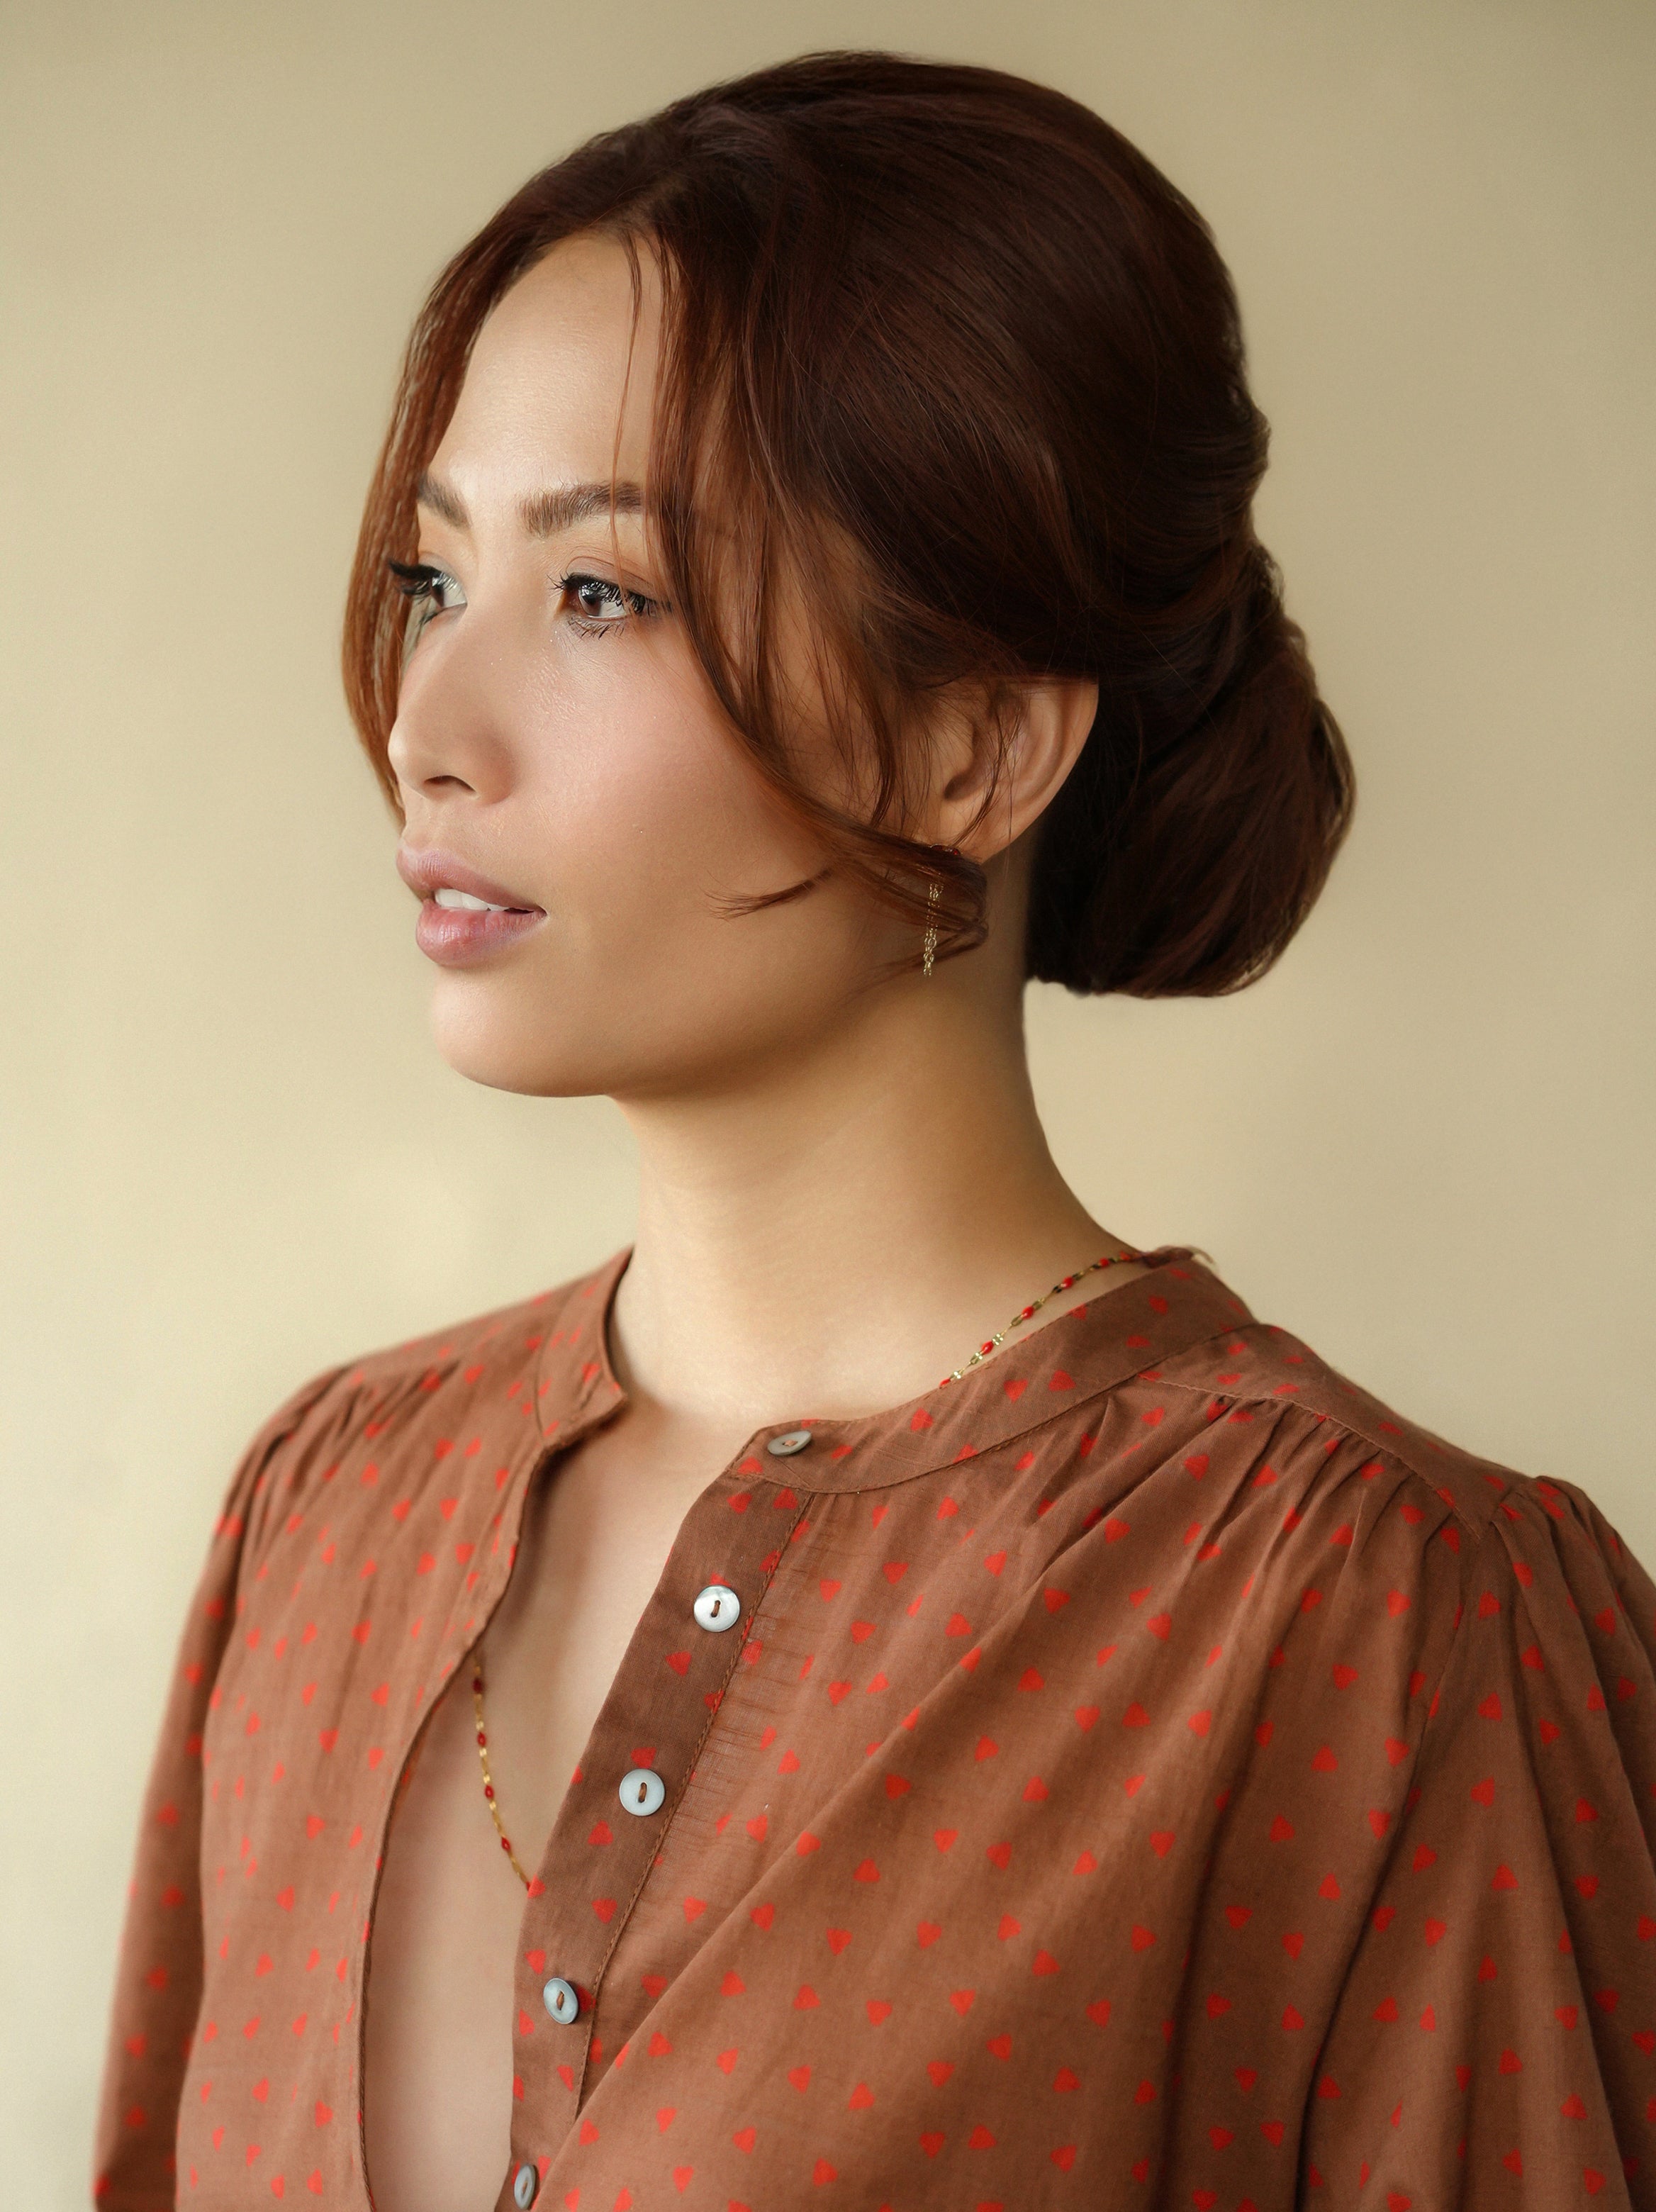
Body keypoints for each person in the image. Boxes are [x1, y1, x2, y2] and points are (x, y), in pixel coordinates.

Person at [93, 50, 1656, 2212]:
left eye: (603, 595)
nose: (425, 730)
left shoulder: (1367, 1626)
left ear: (975, 746)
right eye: (436, 580)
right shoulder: (325, 1520)